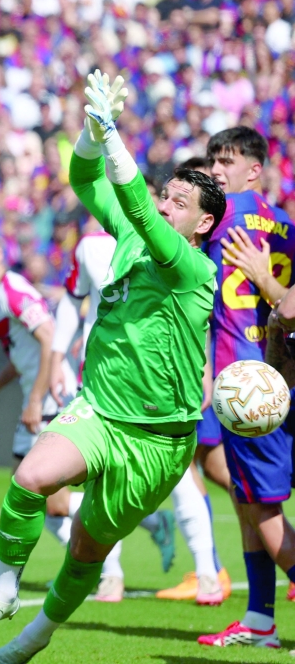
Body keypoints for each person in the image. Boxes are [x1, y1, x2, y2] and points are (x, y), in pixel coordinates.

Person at [0, 72, 224, 663]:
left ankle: (33, 640)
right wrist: (90, 137)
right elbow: (85, 178)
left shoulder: (192, 269)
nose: (165, 205)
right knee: (29, 480)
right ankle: (4, 593)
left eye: (182, 202)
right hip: (101, 408)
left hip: (158, 442)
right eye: (166, 194)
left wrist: (116, 138)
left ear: (203, 223)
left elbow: (143, 216)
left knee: (84, 549)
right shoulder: (131, 233)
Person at [51, 215, 188, 604]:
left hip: (143, 387)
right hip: (94, 382)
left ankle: (113, 568)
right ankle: (117, 564)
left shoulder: (167, 248)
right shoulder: (91, 245)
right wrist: (57, 358)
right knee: (81, 484)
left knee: (105, 484)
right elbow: (72, 299)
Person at [198, 127, 295, 649]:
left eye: (227, 160)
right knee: (245, 498)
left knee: (263, 508)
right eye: (213, 159)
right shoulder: (285, 225)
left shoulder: (220, 219)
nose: (216, 169)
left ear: (253, 169)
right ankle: (260, 617)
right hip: (282, 372)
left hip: (246, 383)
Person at [0, 226, 94, 564]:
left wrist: (36, 400)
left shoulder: (13, 293)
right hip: (40, 394)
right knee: (28, 491)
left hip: (51, 395)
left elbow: (50, 338)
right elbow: (23, 357)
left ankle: (114, 550)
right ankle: (90, 563)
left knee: (46, 497)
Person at [152, 154, 231, 605]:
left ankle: (209, 570)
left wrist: (202, 369)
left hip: (201, 370)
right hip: (205, 368)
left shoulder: (199, 249)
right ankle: (209, 568)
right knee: (220, 470)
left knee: (207, 470)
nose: (167, 206)